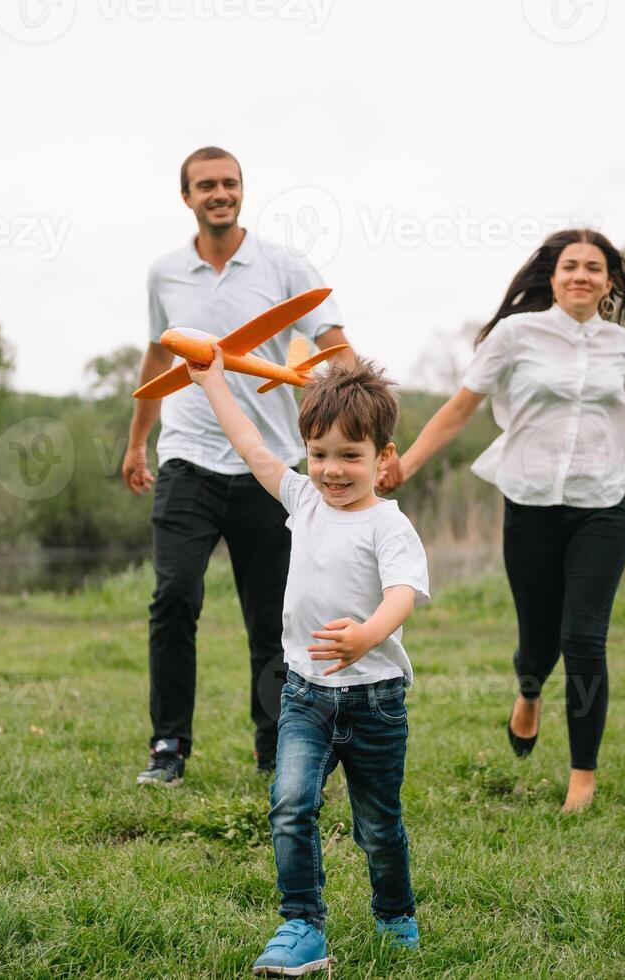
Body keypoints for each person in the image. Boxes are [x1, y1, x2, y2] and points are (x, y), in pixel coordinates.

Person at [378, 228, 625, 813]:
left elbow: (616, 404)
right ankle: (529, 691)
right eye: (571, 266)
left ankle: (581, 780)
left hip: (603, 502)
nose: (581, 276)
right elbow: (460, 407)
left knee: (583, 638)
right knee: (538, 644)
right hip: (531, 502)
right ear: (554, 277)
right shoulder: (516, 336)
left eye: (594, 267)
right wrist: (406, 463)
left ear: (609, 281)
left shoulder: (624, 347)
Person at [185, 349, 428, 975]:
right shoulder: (304, 501)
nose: (332, 469)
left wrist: (367, 635)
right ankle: (302, 924)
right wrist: (213, 380)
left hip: (375, 701)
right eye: (320, 454)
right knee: (291, 801)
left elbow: (403, 593)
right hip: (304, 695)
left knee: (378, 824)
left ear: (384, 457)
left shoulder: (390, 525)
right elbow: (251, 447)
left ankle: (394, 912)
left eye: (351, 455)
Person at [123, 146, 354, 786]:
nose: (218, 193)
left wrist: (363, 417)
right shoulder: (164, 273)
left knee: (274, 616)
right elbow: (156, 359)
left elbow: (333, 344)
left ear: (243, 191)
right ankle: (168, 746)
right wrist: (137, 440)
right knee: (173, 598)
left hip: (268, 466)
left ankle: (275, 745)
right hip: (187, 460)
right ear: (187, 197)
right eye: (206, 185)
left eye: (228, 183)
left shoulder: (281, 264)